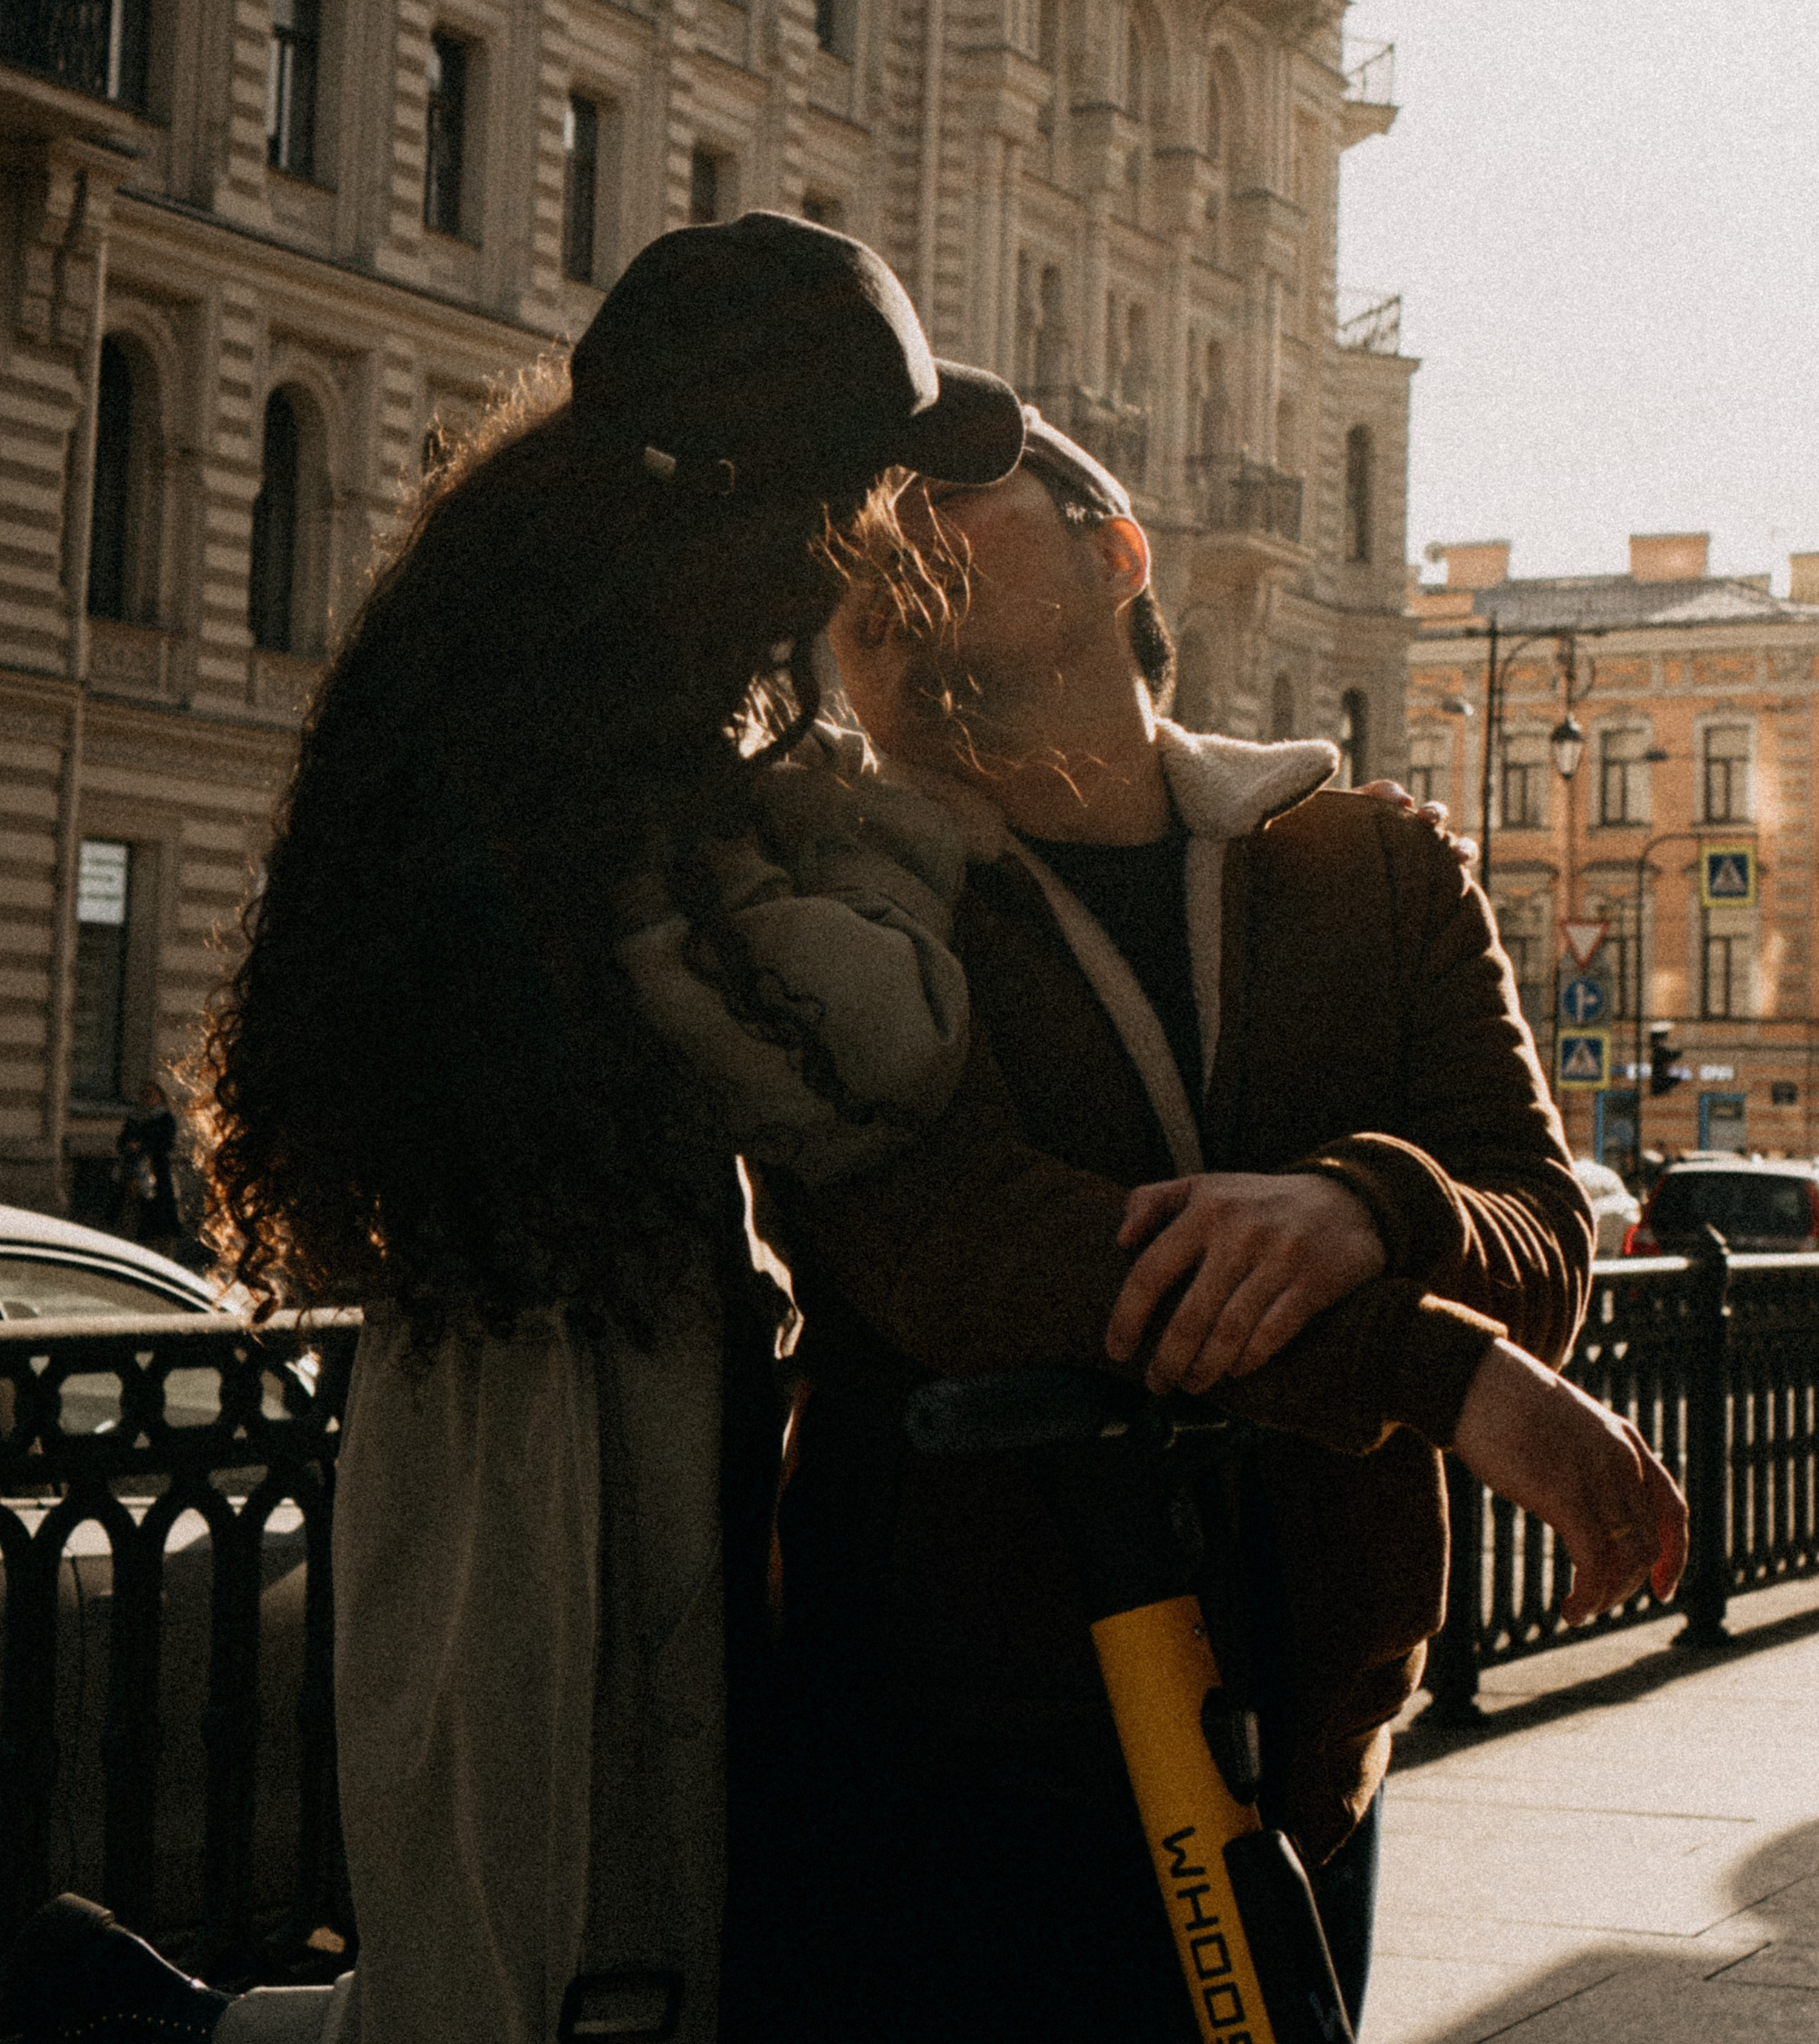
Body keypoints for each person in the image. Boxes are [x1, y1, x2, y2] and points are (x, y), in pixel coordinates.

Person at [0, 214, 1024, 2044]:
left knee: (534, 1970)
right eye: (868, 492)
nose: (890, 540)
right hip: (563, 1447)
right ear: (755, 513)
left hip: (526, 1399)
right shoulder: (621, 814)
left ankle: (142, 2024)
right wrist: (899, 814)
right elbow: (878, 1058)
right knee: (568, 1979)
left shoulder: (531, 724)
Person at [728, 410, 1687, 2044]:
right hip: (952, 1769)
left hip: (1314, 1756)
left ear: (1114, 557)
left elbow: (1538, 1223)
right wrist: (1433, 1368)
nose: (886, 532)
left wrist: (1360, 1201)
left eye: (951, 489)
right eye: (854, 515)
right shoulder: (837, 902)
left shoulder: (1374, 865)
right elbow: (962, 1251)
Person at [111, 1081, 184, 1257]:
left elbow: (166, 1144)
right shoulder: (135, 1118)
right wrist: (128, 1146)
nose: (147, 1098)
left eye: (151, 1094)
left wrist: (142, 1146)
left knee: (160, 1217)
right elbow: (122, 1141)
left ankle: (162, 1253)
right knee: (131, 1213)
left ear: (160, 1097)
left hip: (157, 1173)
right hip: (133, 1172)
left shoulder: (165, 1118)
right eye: (144, 1094)